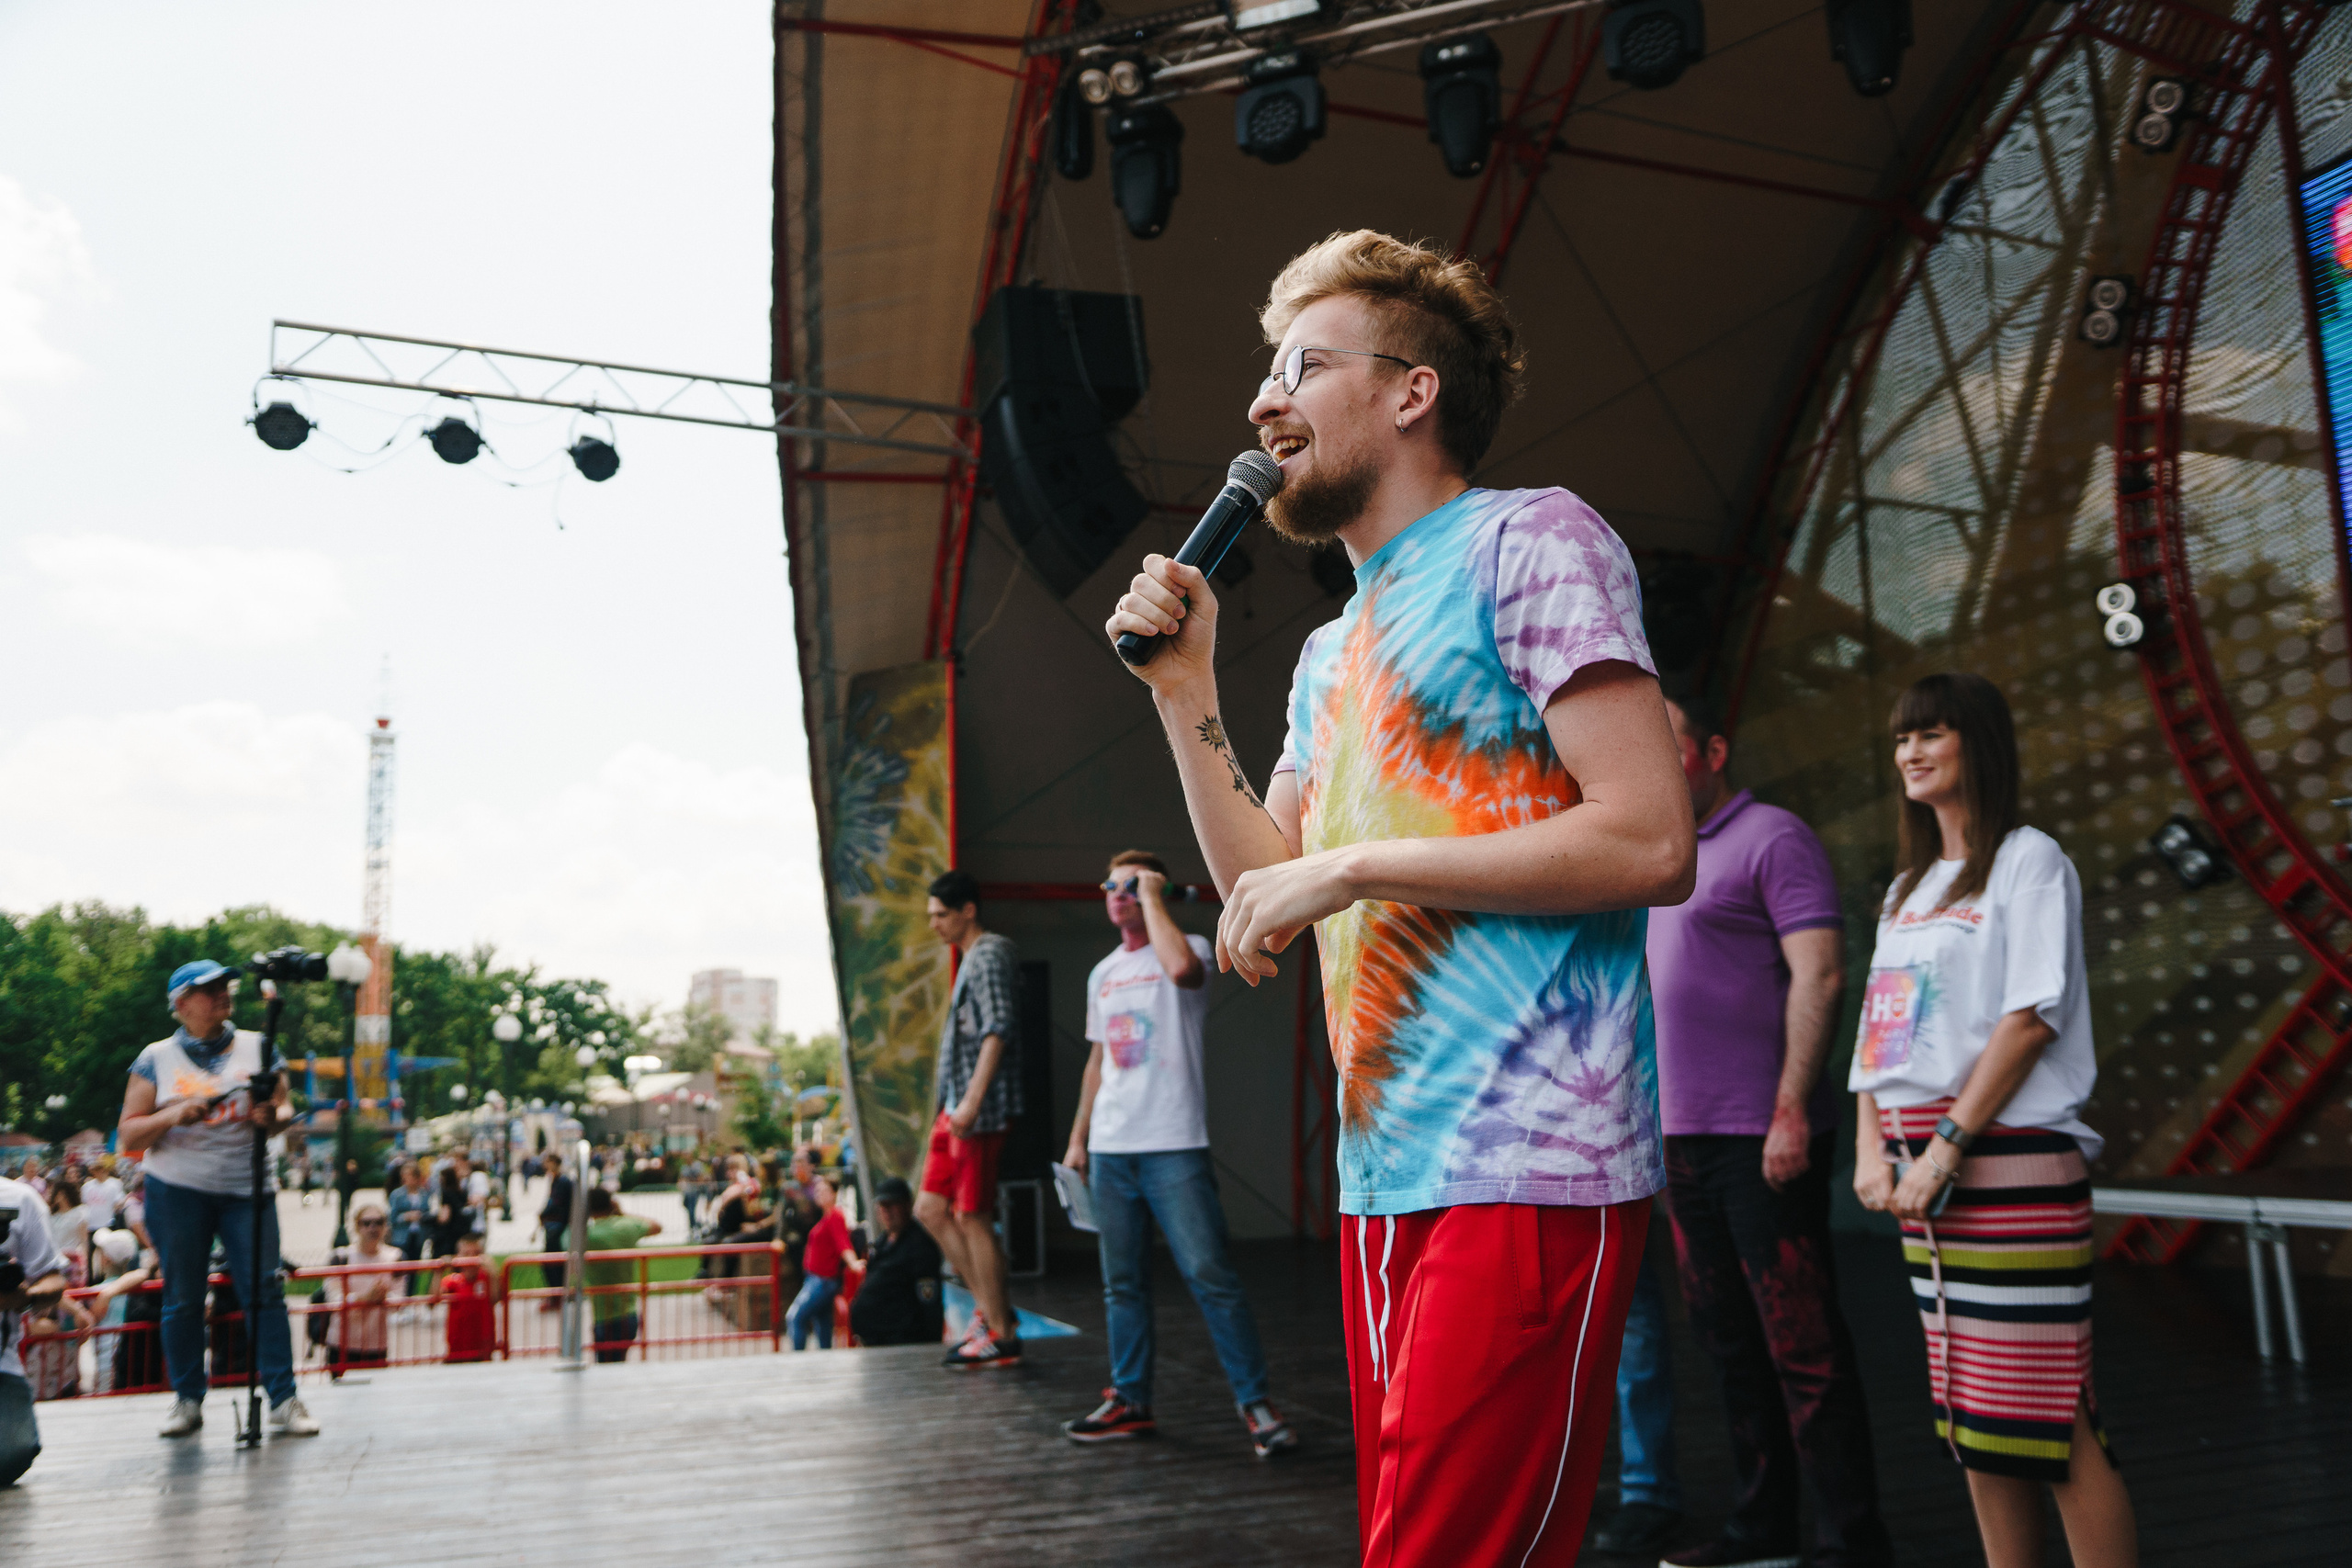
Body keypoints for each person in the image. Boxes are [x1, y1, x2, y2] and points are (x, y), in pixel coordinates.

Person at [1102, 230, 1694, 1564]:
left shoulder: (1531, 540)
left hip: (1533, 1159)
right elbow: (1265, 900)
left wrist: (1363, 862)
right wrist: (1187, 692)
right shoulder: (1329, 649)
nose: (1265, 402)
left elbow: (1653, 839)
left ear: (1411, 391)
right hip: (1387, 1176)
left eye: (1303, 365)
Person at [1852, 674, 2136, 1568]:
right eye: (1903, 737)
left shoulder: (2028, 859)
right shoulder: (1905, 888)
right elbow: (1878, 1035)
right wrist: (1871, 1148)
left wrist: (1945, 1146)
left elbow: (2031, 1016)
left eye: (1932, 732)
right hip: (1916, 1168)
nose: (1911, 751)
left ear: (1978, 743)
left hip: (2006, 1158)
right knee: (1972, 1418)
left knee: (2047, 1414)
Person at [1612, 696, 1892, 1568]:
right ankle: (1760, 1533)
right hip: (1684, 1143)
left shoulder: (1773, 836)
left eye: (1672, 743)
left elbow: (1823, 974)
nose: (1654, 759)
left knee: (1804, 1348)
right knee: (1729, 1347)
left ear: (1713, 751)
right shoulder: (1658, 856)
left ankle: (1852, 1544)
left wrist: (1790, 1109)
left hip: (1762, 1140)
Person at [1059, 851, 1296, 1460]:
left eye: (1131, 884)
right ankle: (1130, 1399)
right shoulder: (1102, 973)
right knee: (1122, 1285)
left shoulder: (1186, 943)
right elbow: (1097, 1060)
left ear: (1154, 891)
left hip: (1173, 1147)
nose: (1117, 891)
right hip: (1112, 1149)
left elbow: (1183, 972)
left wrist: (1154, 896)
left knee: (1211, 1276)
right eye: (1111, 882)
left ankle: (1256, 1404)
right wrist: (1078, 1137)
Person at [117, 959, 319, 1439]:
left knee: (264, 1293)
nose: (223, 994)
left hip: (248, 1189)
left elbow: (286, 1106)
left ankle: (283, 1398)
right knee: (184, 1297)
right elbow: (128, 1134)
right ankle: (187, 1400)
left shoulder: (259, 1045)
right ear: (181, 1004)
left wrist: (274, 1115)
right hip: (178, 1190)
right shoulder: (155, 1058)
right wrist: (173, 1116)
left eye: (225, 986)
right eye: (208, 990)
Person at [915, 869, 1025, 1370]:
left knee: (972, 1215)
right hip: (956, 1105)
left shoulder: (989, 952)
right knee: (930, 1209)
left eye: (941, 914)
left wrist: (973, 1101)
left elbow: (998, 1027)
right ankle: (991, 1310)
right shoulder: (969, 959)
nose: (934, 924)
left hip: (975, 1108)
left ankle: (1001, 1331)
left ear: (968, 911)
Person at [1, 1170, 68, 1485]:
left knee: (12, 1451)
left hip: (2, 1364)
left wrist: (22, 1296)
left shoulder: (20, 1199)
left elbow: (53, 1279)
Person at [849, 1177, 944, 1347]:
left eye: (892, 1204)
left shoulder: (919, 1246)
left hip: (903, 1345)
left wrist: (929, 1348)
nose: (886, 1211)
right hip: (877, 1343)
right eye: (882, 1205)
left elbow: (929, 1302)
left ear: (907, 1205)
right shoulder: (882, 1243)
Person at [582, 1186, 660, 1362]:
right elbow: (656, 1226)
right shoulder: (626, 1227)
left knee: (606, 1368)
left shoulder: (588, 1236)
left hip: (604, 1315)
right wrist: (621, 1213)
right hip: (628, 1313)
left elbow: (565, 1242)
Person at [323, 1201, 401, 1376]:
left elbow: (399, 1301)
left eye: (379, 1222)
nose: (373, 1228)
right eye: (367, 1223)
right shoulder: (340, 1257)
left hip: (377, 1344)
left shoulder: (395, 1257)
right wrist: (365, 1298)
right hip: (342, 1343)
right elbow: (334, 1300)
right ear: (357, 1226)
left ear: (386, 1226)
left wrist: (382, 1297)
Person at [786, 1177, 854, 1351]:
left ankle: (798, 1359)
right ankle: (825, 1361)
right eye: (818, 1191)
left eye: (824, 1191)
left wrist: (853, 1263)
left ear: (834, 1194)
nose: (820, 1195)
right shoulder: (827, 1217)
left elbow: (843, 1244)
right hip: (816, 1278)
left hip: (822, 1280)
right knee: (823, 1326)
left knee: (795, 1317)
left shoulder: (835, 1216)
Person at [388, 1160, 434, 1296]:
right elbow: (392, 1217)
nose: (405, 1179)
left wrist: (423, 1216)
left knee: (415, 1268)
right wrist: (406, 1217)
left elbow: (428, 1213)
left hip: (418, 1235)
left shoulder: (424, 1194)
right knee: (401, 1268)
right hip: (402, 1237)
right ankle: (399, 1294)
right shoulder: (397, 1195)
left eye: (408, 1176)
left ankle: (411, 1295)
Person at [538, 1153, 576, 1309]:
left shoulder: (563, 1181)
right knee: (552, 1261)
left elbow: (558, 1203)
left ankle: (558, 1294)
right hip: (554, 1224)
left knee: (553, 1261)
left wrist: (545, 1213)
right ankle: (557, 1292)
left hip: (558, 1225)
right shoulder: (556, 1180)